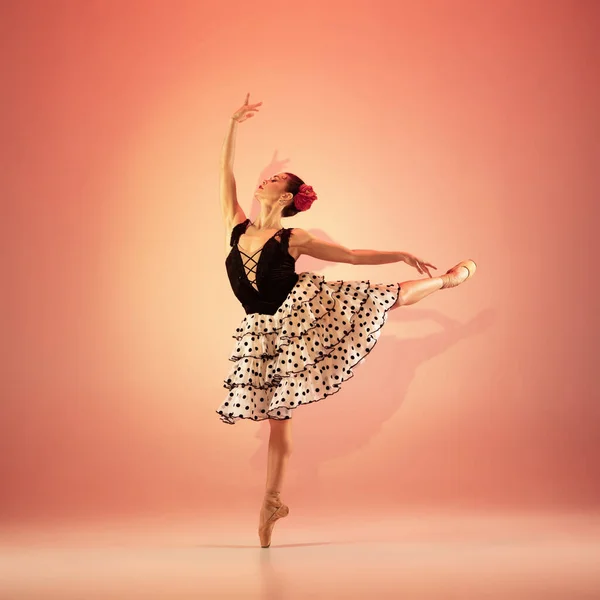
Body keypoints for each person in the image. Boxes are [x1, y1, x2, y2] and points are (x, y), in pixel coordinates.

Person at [217, 94, 477, 548]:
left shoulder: (295, 238)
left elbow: (352, 256)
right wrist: (232, 126)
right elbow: (224, 176)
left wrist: (398, 253)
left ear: (286, 196)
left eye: (275, 178)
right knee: (279, 414)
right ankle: (273, 501)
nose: (264, 180)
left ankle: (446, 282)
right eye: (267, 176)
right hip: (261, 330)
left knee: (381, 298)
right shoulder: (236, 226)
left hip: (300, 313)